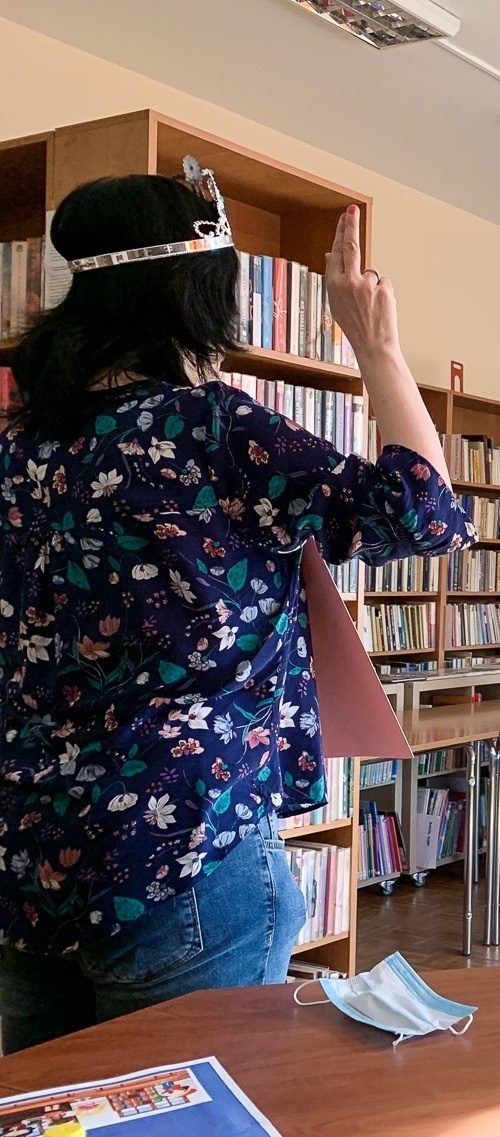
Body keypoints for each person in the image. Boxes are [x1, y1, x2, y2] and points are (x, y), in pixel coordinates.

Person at [0, 174, 473, 1052]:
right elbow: (427, 515)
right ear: (197, 293)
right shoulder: (212, 429)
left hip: (28, 850)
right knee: (196, 1121)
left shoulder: (19, 445)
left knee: (46, 1122)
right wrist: (377, 345)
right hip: (184, 847)